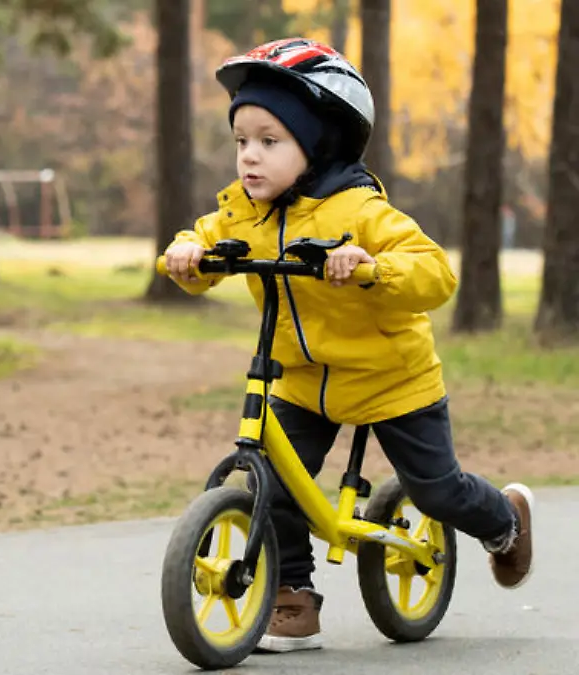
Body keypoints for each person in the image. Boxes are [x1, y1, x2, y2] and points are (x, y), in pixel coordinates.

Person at [162, 37, 534, 654]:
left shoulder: (362, 211)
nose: (249, 158)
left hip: (394, 381)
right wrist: (187, 255)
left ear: (320, 144)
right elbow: (204, 243)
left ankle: (506, 520)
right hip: (304, 382)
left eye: (269, 141)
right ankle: (292, 602)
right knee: (273, 485)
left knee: (437, 492)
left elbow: (435, 273)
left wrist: (370, 268)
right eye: (241, 142)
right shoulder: (243, 214)